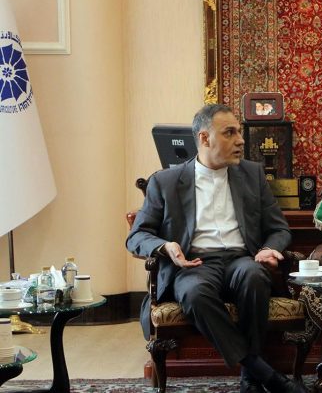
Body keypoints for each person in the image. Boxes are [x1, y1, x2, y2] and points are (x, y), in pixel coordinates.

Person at [126, 104, 303, 393]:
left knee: (255, 277)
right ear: (205, 138)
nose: (241, 140)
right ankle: (262, 372)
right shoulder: (166, 181)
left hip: (240, 259)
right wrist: (165, 246)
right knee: (194, 293)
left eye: (239, 132)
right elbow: (137, 236)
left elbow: (279, 228)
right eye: (229, 133)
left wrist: (269, 248)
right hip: (194, 263)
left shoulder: (252, 174)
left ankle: (250, 377)